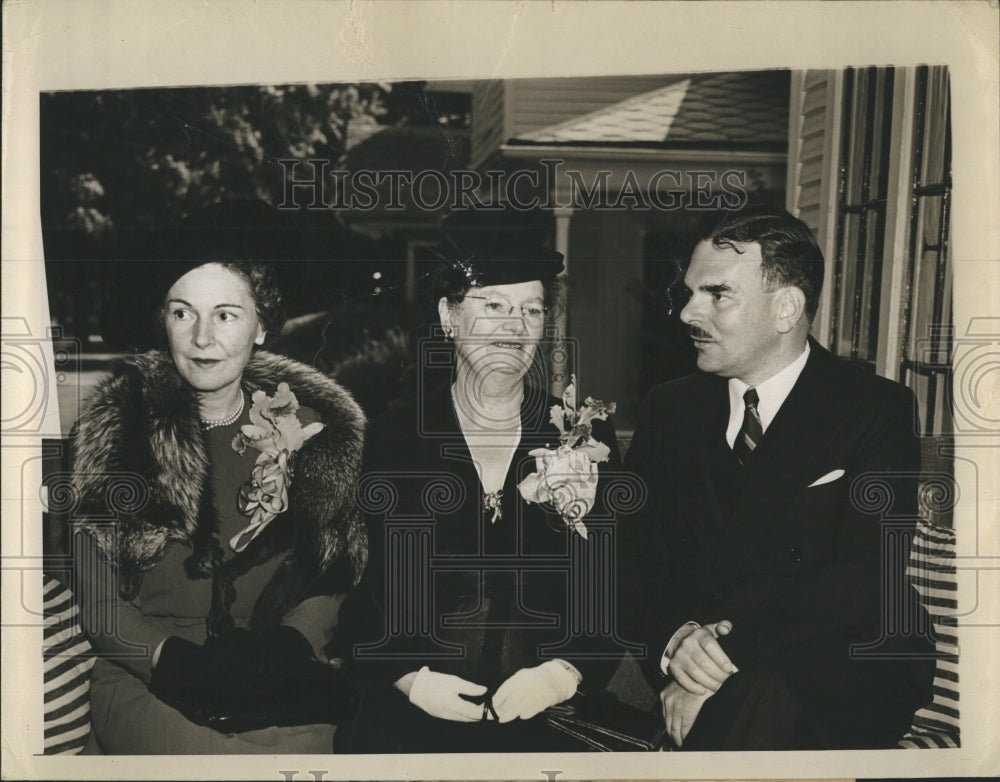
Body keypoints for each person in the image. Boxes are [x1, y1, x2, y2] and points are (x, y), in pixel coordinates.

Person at [619, 205, 934, 750]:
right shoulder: (667, 409)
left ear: (786, 308)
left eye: (717, 294)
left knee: (762, 700)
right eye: (690, 293)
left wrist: (716, 667)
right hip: (705, 655)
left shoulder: (876, 408)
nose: (688, 313)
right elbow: (633, 552)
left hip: (839, 659)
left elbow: (863, 576)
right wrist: (675, 643)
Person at [70, 200, 367, 753]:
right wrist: (177, 664)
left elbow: (331, 574)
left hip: (277, 674)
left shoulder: (309, 432)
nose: (202, 338)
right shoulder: (117, 434)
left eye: (226, 315)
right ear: (163, 321)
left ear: (262, 327)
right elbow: (102, 609)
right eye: (183, 313)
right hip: (152, 680)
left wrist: (289, 646)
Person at [332, 207, 629, 753]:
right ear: (449, 316)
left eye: (531, 310)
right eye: (493, 305)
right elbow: (356, 587)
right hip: (411, 717)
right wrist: (407, 678)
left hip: (548, 717)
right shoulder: (392, 437)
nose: (515, 327)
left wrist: (564, 672)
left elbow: (614, 581)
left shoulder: (581, 435)